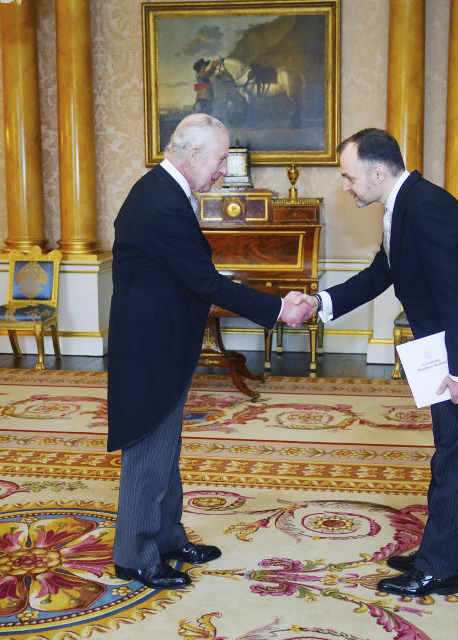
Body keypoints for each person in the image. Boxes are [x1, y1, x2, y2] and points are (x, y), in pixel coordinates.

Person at [298, 128, 458, 598]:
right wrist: (321, 302)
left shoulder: (428, 210)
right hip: (442, 349)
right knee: (449, 453)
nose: (346, 186)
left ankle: (438, 570)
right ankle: (436, 553)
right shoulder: (404, 205)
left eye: (348, 176)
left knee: (457, 458)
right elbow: (381, 273)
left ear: (378, 171)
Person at [107, 113, 313, 590]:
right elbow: (205, 281)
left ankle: (167, 538)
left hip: (162, 342)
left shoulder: (164, 191)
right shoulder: (161, 201)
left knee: (166, 448)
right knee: (149, 448)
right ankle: (135, 557)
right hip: (150, 348)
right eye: (221, 159)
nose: (224, 169)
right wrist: (279, 308)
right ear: (194, 153)